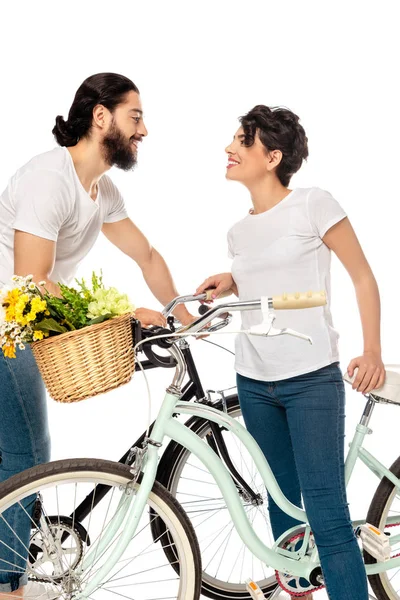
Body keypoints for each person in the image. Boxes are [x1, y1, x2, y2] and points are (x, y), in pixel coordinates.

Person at [0, 72, 195, 598]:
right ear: (101, 116)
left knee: (15, 449)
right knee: (27, 454)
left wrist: (180, 311)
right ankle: (7, 584)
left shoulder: (100, 189)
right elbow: (31, 281)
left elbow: (146, 255)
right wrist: (119, 315)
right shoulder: (49, 179)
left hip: (20, 325)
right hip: (5, 325)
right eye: (136, 116)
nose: (144, 130)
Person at [196, 105, 385, 600]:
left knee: (326, 514)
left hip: (309, 379)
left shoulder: (313, 203)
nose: (229, 147)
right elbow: (271, 272)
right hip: (253, 380)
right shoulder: (239, 231)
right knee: (281, 511)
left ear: (273, 156)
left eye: (242, 139)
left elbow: (362, 275)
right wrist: (235, 277)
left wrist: (371, 350)